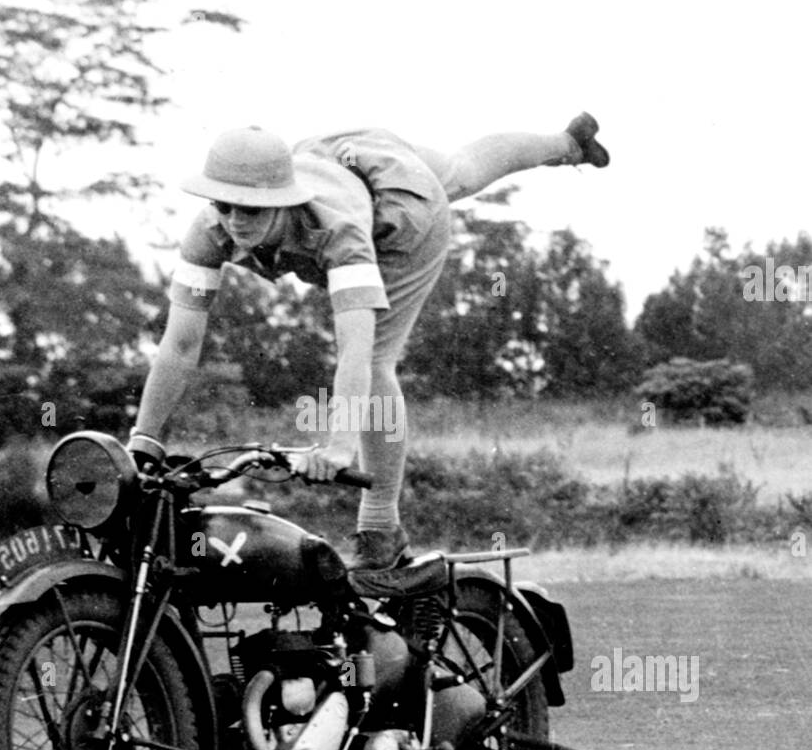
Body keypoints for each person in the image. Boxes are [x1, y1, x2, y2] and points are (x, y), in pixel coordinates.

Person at [129, 115, 609, 578]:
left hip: (401, 215)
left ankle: (380, 528)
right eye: (223, 205)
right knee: (462, 170)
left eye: (250, 209)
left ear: (281, 198)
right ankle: (569, 143)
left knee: (379, 360)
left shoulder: (340, 234)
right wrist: (143, 443)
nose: (234, 221)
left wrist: (339, 446)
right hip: (344, 157)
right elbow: (181, 343)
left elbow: (356, 352)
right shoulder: (208, 230)